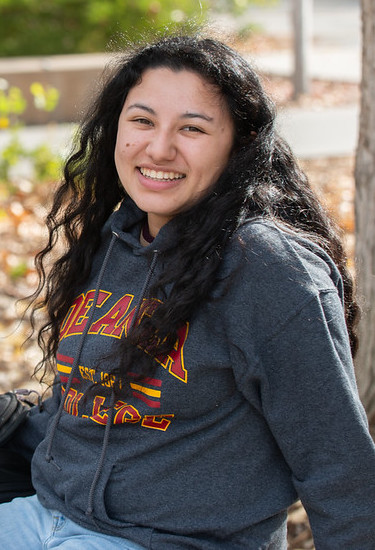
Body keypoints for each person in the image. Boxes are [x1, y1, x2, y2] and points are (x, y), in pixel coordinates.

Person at [0, 33, 374, 549]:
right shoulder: (116, 241)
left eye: (192, 128)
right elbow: (91, 408)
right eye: (142, 120)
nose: (158, 147)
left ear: (240, 145)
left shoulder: (268, 270)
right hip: (47, 516)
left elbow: (338, 467)